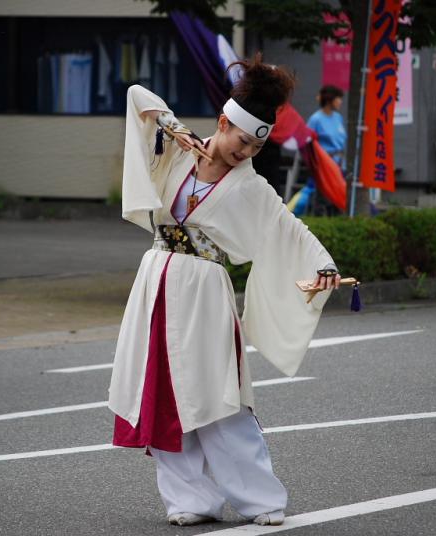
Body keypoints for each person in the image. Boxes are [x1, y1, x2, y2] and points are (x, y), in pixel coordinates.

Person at [108, 54, 341, 528]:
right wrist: (172, 125)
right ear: (223, 121)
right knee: (166, 396)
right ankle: (190, 500)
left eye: (256, 148)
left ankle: (261, 499)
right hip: (157, 282)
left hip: (205, 293)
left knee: (221, 400)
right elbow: (137, 97)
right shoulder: (175, 151)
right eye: (240, 140)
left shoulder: (252, 187)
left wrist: (324, 263)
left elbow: (286, 227)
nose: (245, 153)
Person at [307, 85, 347, 170]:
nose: (340, 102)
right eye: (338, 98)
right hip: (323, 165)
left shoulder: (338, 117)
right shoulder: (316, 119)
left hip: (340, 164)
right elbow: (307, 143)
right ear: (329, 100)